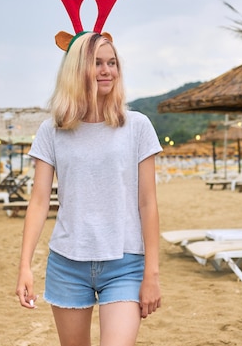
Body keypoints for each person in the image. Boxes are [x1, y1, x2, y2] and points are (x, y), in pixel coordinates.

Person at [16, 32, 163, 346]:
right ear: (76, 69)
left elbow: (148, 203)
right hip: (67, 263)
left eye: (112, 63)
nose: (106, 70)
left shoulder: (137, 126)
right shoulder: (52, 130)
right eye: (97, 63)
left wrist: (152, 273)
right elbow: (39, 201)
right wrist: (25, 266)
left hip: (125, 264)